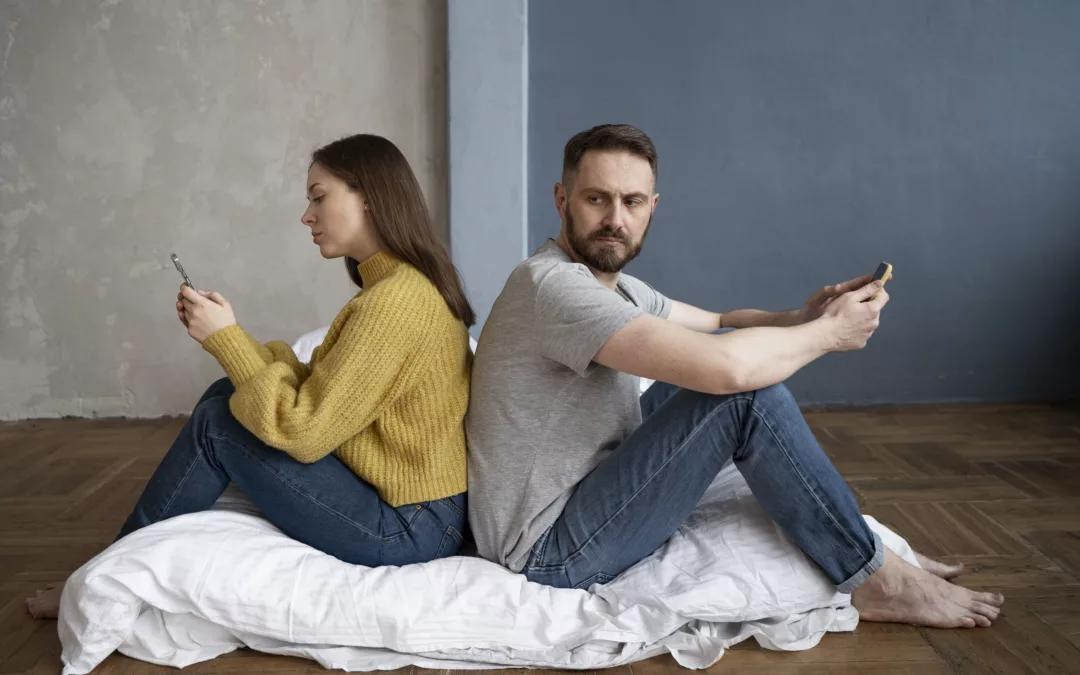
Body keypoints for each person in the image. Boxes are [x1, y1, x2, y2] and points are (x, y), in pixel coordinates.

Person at [466, 123, 1004, 629]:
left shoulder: (616, 288)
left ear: (652, 209)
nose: (615, 220)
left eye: (631, 202)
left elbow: (719, 324)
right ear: (563, 201)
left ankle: (865, 547)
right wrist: (828, 337)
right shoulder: (555, 288)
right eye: (596, 199)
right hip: (549, 548)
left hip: (581, 488)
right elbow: (729, 371)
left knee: (723, 368)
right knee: (742, 395)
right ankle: (877, 579)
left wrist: (804, 317)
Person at [28, 134, 474, 619]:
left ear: (367, 195)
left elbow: (303, 431)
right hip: (413, 509)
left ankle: (103, 585)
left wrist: (226, 341)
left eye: (319, 197)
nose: (307, 215)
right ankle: (124, 565)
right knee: (227, 392)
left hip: (411, 525)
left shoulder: (397, 302)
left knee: (219, 425)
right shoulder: (395, 286)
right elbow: (320, 386)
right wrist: (231, 334)